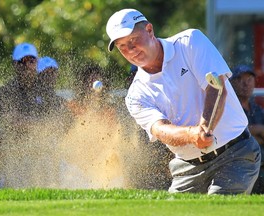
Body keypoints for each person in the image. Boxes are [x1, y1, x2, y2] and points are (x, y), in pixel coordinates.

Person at [106, 8, 261, 194]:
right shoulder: (135, 94)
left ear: (149, 30)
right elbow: (160, 129)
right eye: (122, 46)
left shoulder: (190, 41)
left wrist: (205, 128)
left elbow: (217, 87)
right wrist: (192, 134)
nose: (130, 50)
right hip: (186, 168)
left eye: (133, 40)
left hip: (236, 153)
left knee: (217, 209)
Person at [230, 64, 264, 194]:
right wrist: (259, 130)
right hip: (241, 164)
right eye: (240, 80)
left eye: (249, 80)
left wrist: (252, 132)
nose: (246, 84)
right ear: (232, 83)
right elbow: (236, 136)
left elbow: (245, 135)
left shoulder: (257, 109)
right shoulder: (229, 108)